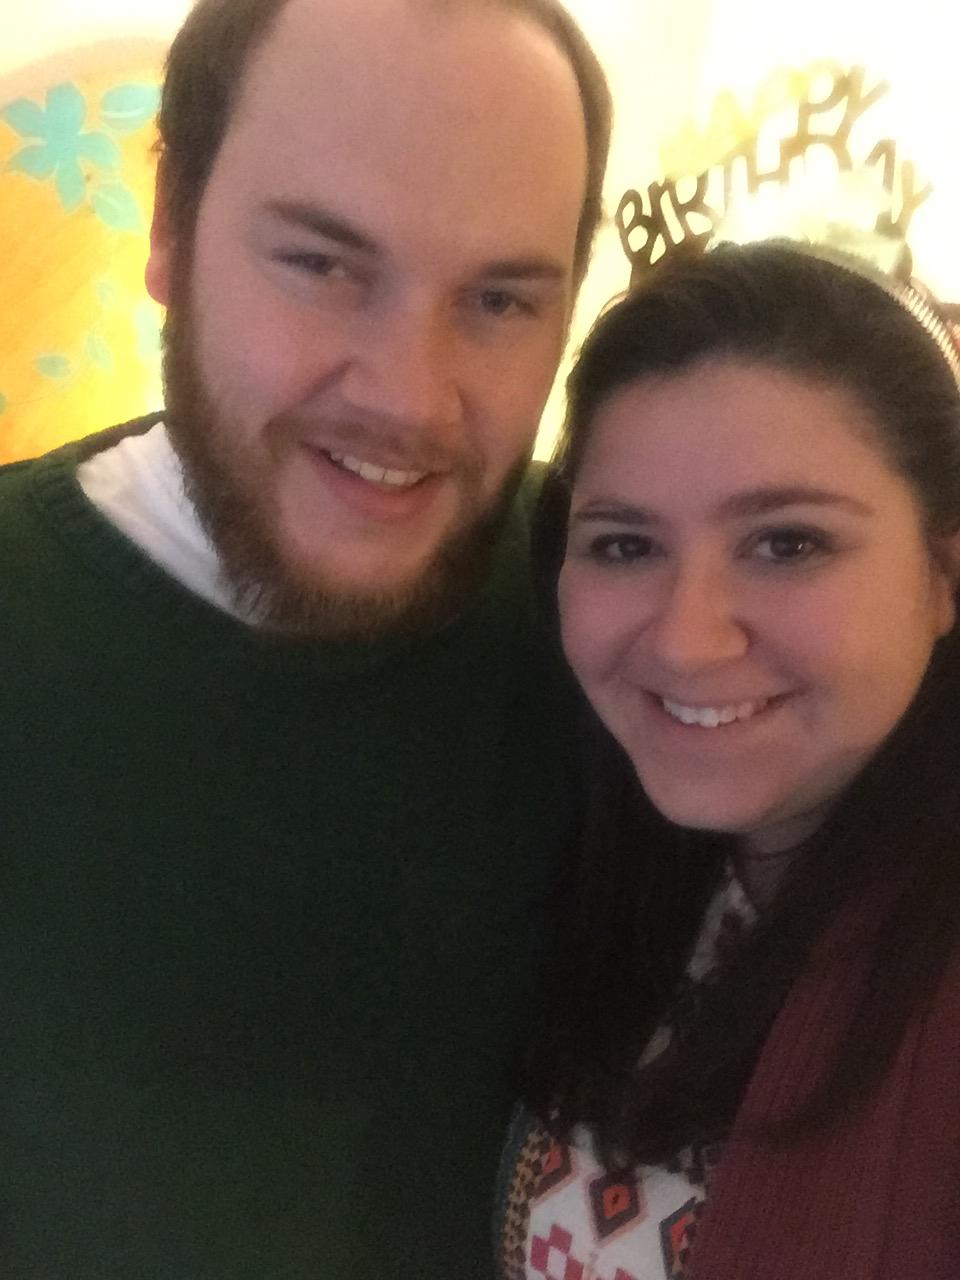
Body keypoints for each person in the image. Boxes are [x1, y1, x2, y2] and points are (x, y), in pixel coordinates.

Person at [0, 0, 611, 1275]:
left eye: (500, 298)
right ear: (169, 229)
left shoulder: (636, 631)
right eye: (325, 264)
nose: (408, 395)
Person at [497, 239, 960, 1279]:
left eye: (787, 543)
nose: (685, 640)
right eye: (625, 544)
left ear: (943, 571)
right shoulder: (629, 867)